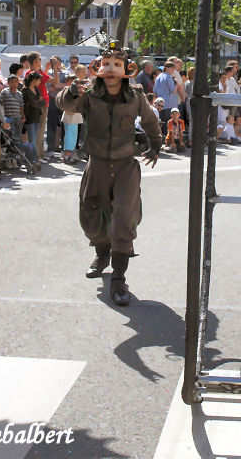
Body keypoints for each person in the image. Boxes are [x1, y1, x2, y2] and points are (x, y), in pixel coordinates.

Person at [57, 47, 162, 306]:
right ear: (98, 67)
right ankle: (102, 254)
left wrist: (155, 144)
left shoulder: (135, 95)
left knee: (123, 218)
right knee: (92, 216)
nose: (111, 68)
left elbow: (149, 120)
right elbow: (65, 105)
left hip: (126, 165)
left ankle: (118, 278)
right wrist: (71, 91)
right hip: (98, 164)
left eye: (117, 64)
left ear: (126, 69)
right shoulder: (88, 94)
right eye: (106, 63)